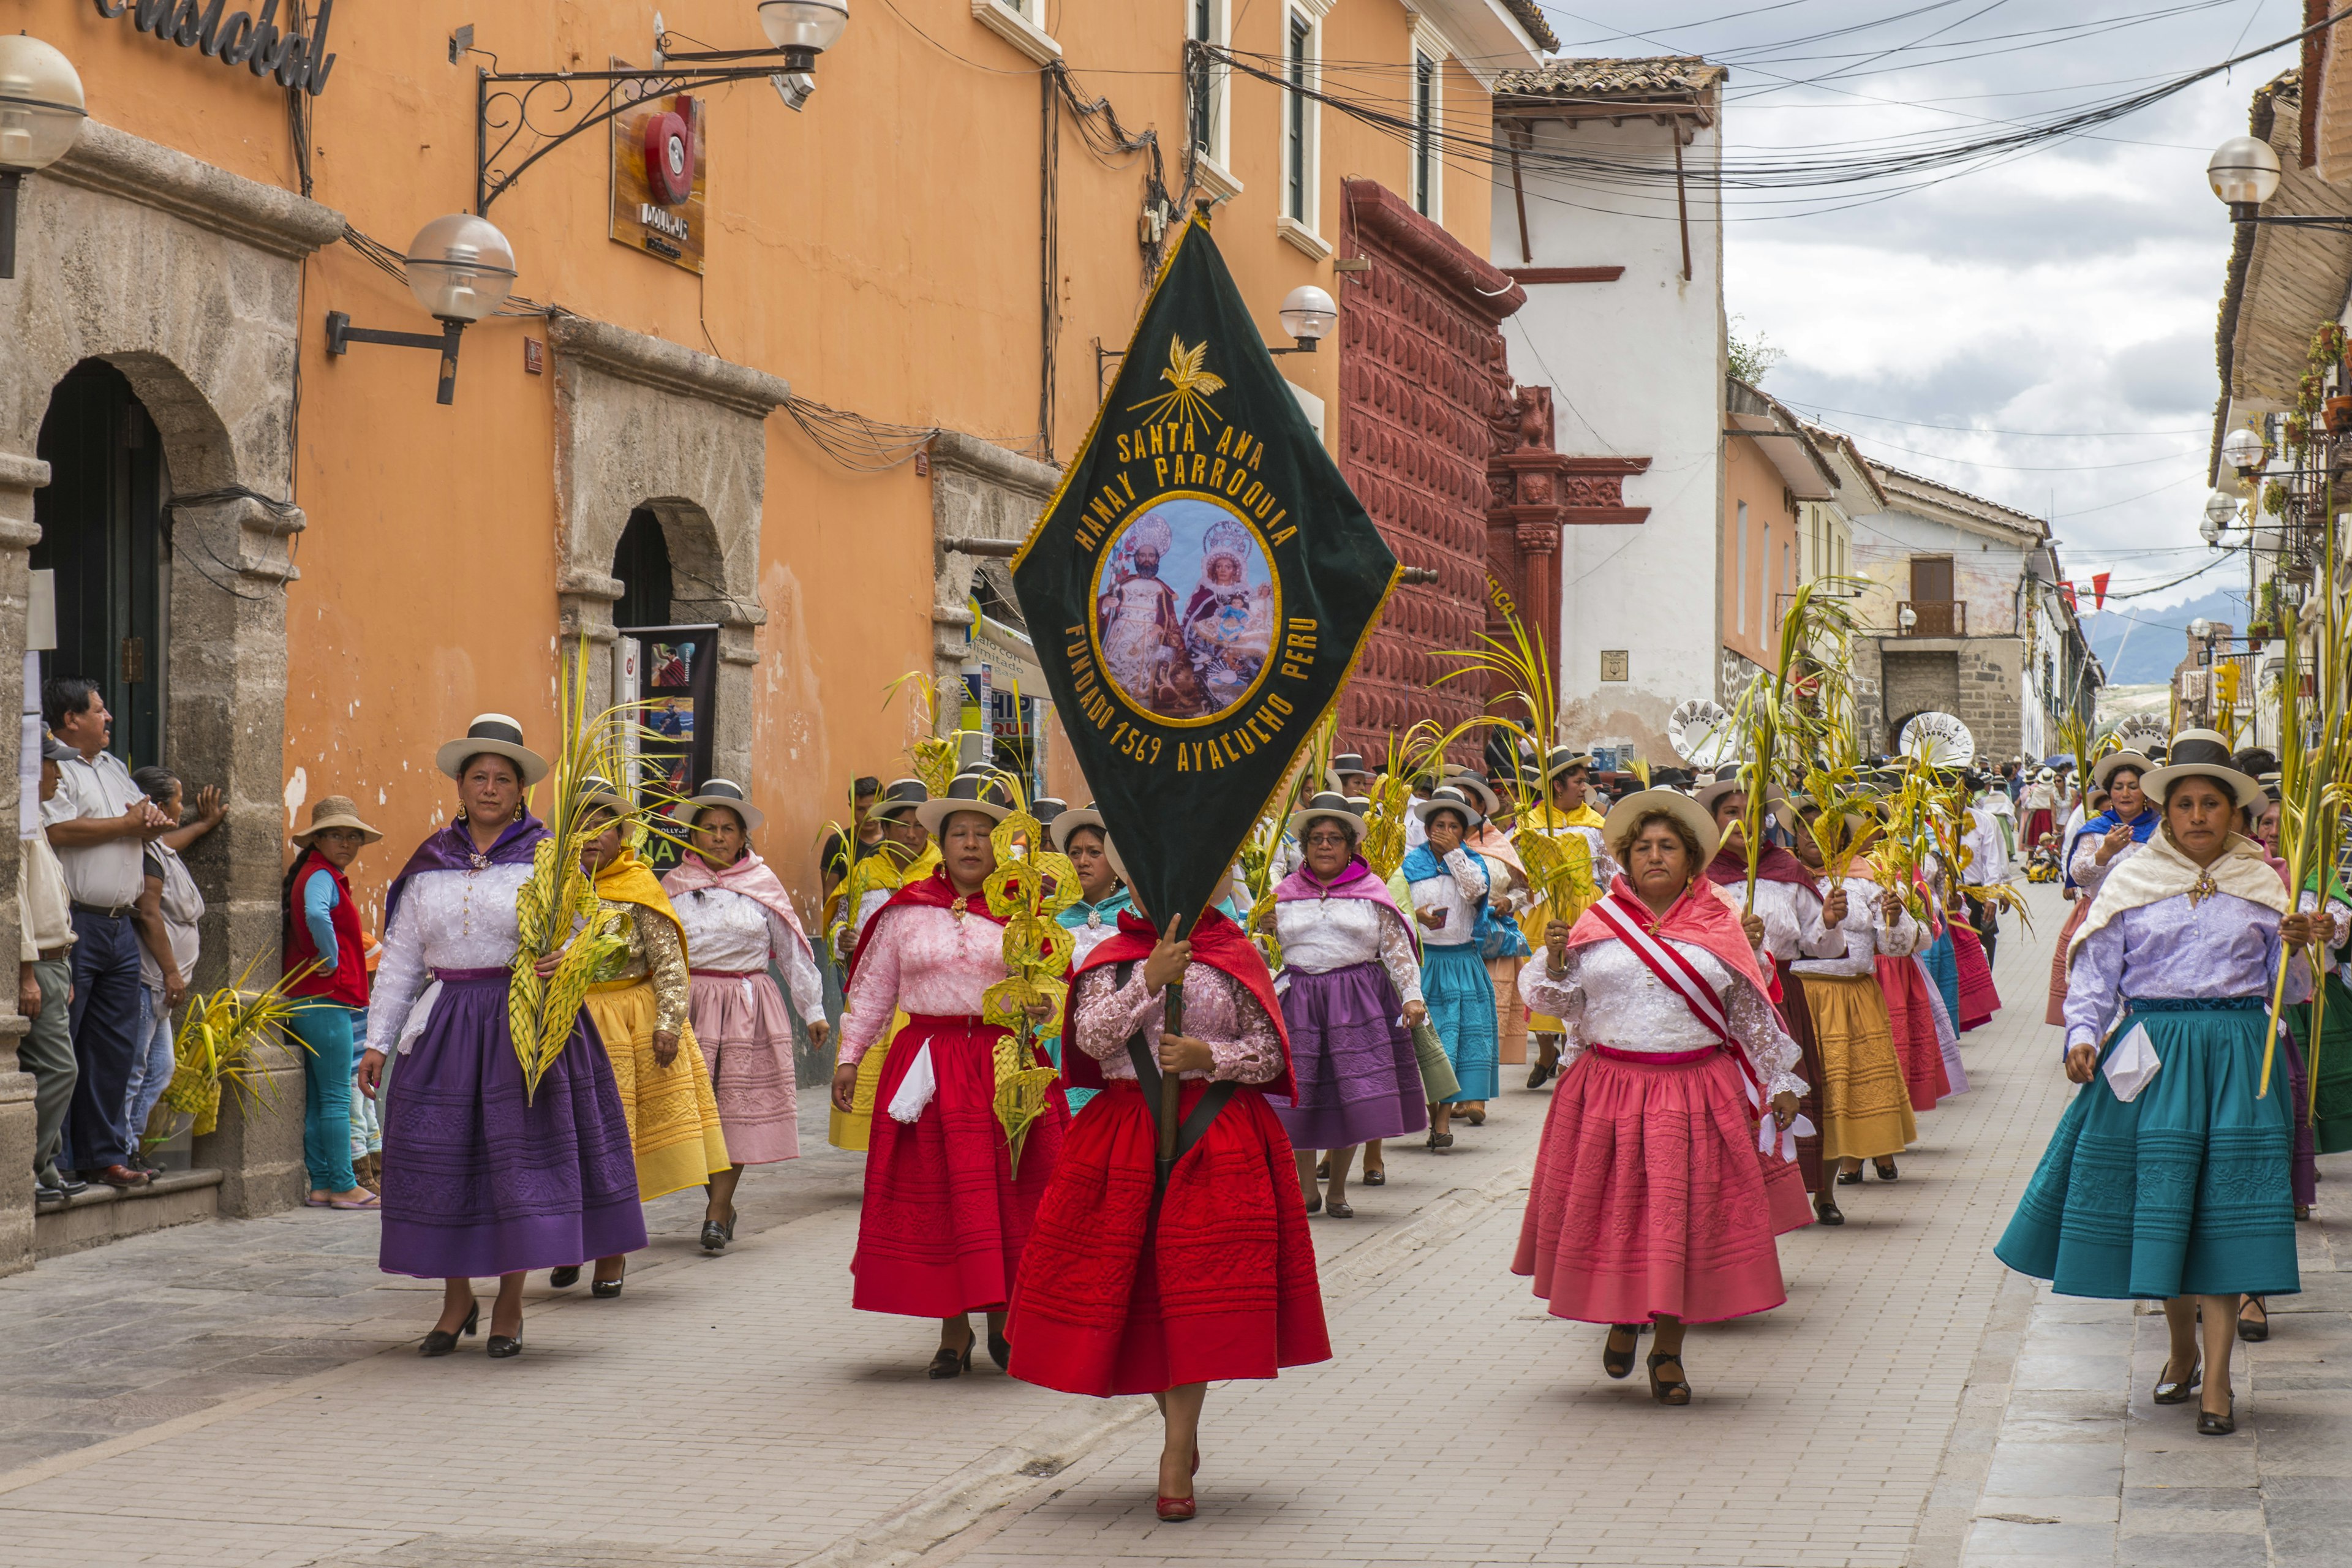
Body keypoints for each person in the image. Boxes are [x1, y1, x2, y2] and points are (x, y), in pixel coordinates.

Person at [1997, 730, 2332, 1437]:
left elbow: (2294, 991)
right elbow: (2095, 972)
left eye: (2213, 802)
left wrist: (2303, 945)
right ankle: (2181, 1345)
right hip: (2152, 1053)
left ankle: (2217, 1380)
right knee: (2169, 1208)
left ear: (2234, 813)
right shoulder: (2129, 879)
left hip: (2244, 1055)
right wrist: (2082, 1036)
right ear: (2167, 811)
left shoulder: (2266, 883)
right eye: (2186, 803)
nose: (2200, 815)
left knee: (2223, 1216)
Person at [1008, 880, 1331, 1520]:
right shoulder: (1110, 955)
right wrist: (1147, 981)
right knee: (1140, 1294)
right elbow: (1093, 1041)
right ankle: (1178, 1429)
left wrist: (1207, 1053)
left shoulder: (1235, 953)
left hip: (1217, 1137)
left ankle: (1175, 1451)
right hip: (1121, 1138)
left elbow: (1269, 1054)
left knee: (1196, 1299)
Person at [358, 715, 646, 1358]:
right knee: (441, 1163)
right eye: (478, 777)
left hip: (526, 1026)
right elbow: (403, 957)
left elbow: (593, 934)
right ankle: (456, 1298)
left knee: (518, 1165)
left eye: (503, 779)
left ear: (521, 791)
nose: (490, 788)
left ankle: (511, 1303)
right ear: (460, 787)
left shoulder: (550, 857)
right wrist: (378, 1040)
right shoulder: (428, 864)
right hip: (446, 1029)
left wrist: (565, 959)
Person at [1514, 789, 1804, 1404]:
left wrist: (1779, 1079)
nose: (1653, 856)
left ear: (1691, 857)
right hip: (1610, 1089)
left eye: (1667, 846)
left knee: (1684, 1219)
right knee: (1619, 1214)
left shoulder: (1720, 925)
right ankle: (1625, 1316)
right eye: (1642, 847)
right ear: (1624, 855)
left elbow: (1750, 1010)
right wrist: (1557, 961)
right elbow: (1560, 1003)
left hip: (1696, 1090)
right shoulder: (1594, 923)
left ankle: (1668, 1348)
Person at [829, 771, 1071, 1377]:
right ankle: (952, 1329)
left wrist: (1044, 1003)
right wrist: (850, 1057)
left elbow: (1056, 982)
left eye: (982, 833)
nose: (969, 843)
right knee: (944, 1199)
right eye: (958, 832)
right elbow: (874, 989)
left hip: (1005, 1063)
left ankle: (1006, 1317)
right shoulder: (906, 911)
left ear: (1002, 844)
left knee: (1009, 1191)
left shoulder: (1026, 911)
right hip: (928, 1068)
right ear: (941, 840)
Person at [571, 778, 731, 1297]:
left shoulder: (640, 886)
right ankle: (568, 1243)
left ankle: (610, 1256)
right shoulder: (550, 889)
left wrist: (668, 1021)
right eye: (582, 826)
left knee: (615, 1144)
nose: (592, 836)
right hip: (567, 1026)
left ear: (623, 834)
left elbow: (668, 963)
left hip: (627, 1028)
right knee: (565, 1142)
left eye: (603, 826)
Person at [663, 778, 827, 1253]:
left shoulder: (761, 885)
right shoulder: (673, 887)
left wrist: (813, 1009)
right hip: (689, 1005)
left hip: (746, 1008)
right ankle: (720, 1201)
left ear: (742, 837)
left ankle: (717, 1210)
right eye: (709, 828)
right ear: (692, 835)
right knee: (695, 1115)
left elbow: (793, 949)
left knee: (734, 1111)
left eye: (727, 829)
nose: (718, 836)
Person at [1265, 793, 1428, 1218]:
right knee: (1299, 1095)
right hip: (1298, 1001)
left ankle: (1336, 1190)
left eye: (1334, 838)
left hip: (1358, 1002)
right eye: (1315, 838)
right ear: (1303, 846)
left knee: (1352, 1092)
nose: (1324, 845)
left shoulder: (1371, 893)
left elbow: (1397, 951)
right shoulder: (1283, 895)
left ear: (1349, 846)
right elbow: (1264, 952)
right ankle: (1305, 1190)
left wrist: (1412, 997)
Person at [1697, 773, 1846, 1225]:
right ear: (1714, 821)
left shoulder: (1787, 871)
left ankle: (1821, 1192)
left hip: (1781, 998)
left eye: (1753, 814)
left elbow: (1823, 947)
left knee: (1800, 1087)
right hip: (1720, 1003)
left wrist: (1828, 919)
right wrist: (1734, 941)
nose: (1743, 823)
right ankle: (1752, 1196)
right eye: (1731, 814)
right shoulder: (1700, 877)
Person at [42, 677, 172, 1190]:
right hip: (79, 920)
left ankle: (103, 1154)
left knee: (114, 1047)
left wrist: (151, 820)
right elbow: (56, 830)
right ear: (71, 719)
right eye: (99, 710)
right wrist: (126, 826)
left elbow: (141, 817)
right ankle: (57, 1159)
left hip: (121, 926)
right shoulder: (59, 769)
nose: (109, 717)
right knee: (65, 1044)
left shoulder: (115, 769)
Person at [1790, 806, 1923, 1187]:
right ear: (1796, 837)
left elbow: (1894, 946)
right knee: (1815, 1083)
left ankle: (1863, 1154)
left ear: (1845, 840)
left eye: (1829, 831)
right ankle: (1811, 1168)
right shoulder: (1786, 882)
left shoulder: (1868, 881)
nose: (1818, 839)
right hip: (1801, 996)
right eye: (1808, 831)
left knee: (1856, 1083)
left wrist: (1895, 919)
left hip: (1854, 996)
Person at [282, 796, 382, 1210]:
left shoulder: (316, 872)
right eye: (337, 835)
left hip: (308, 1001)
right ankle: (343, 1185)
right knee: (339, 1097)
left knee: (321, 1098)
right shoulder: (321, 875)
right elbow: (318, 915)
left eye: (353, 836)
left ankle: (323, 1183)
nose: (347, 843)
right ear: (318, 839)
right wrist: (330, 957)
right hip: (326, 1001)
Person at [829, 777, 938, 1150]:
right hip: (873, 997)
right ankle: (877, 1156)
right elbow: (841, 919)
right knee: (872, 1081)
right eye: (902, 825)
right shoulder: (864, 872)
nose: (911, 834)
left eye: (919, 824)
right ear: (886, 827)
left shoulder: (941, 872)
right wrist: (843, 937)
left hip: (918, 1000)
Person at [123, 767, 225, 1166]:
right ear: (161, 806)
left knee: (160, 1068)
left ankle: (130, 1144)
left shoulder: (159, 849)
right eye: (180, 800)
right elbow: (150, 914)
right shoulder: (146, 853)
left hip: (159, 987)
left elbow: (171, 843)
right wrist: (171, 972)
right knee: (136, 1068)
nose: (184, 807)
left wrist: (204, 825)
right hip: (151, 981)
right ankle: (123, 1150)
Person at [1403, 785, 1501, 1149]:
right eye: (1438, 825)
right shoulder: (1410, 866)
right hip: (1426, 965)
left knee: (1455, 1044)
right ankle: (1432, 1118)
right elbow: (1397, 912)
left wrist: (1455, 856)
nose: (1445, 831)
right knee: (1430, 1044)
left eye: (1453, 826)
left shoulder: (1473, 864)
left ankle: (1443, 1122)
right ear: (1427, 830)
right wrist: (1417, 918)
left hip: (1463, 964)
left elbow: (1475, 892)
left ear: (1464, 832)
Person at [1516, 751, 1616, 1088]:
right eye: (1578, 781)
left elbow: (1609, 872)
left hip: (1587, 909)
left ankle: (1574, 1056)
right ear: (1557, 786)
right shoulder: (1530, 824)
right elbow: (1521, 872)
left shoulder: (1598, 825)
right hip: (1545, 909)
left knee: (1584, 981)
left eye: (1585, 780)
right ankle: (1546, 1053)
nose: (1585, 787)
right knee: (1546, 977)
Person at [2048, 755, 2157, 1028]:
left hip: (2145, 923)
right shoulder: (2096, 829)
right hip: (2099, 919)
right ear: (2109, 792)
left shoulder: (2160, 829)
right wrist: (2105, 852)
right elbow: (2078, 874)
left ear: (2144, 791)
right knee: (2095, 991)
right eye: (2118, 787)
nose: (2125, 793)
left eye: (2133, 786)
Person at [22, 730, 81, 1202]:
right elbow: (17, 905)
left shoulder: (37, 820)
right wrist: (27, 971)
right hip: (38, 961)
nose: (58, 775)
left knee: (52, 1065)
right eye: (52, 765)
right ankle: (30, 1165)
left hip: (54, 960)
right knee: (59, 1069)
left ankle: (46, 1169)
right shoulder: (22, 823)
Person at [1047, 804, 1131, 1117]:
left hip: (1119, 1041)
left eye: (1094, 853)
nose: (1082, 861)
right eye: (1074, 852)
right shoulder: (1048, 916)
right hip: (1058, 1042)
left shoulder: (1135, 916)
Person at [819, 775, 884, 924]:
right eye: (861, 809)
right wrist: (835, 934)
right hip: (848, 931)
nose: (867, 815)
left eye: (873, 808)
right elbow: (830, 896)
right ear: (851, 807)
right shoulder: (837, 843)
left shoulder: (893, 844)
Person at [2021, 767, 2058, 851]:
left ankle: (2034, 856)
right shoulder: (2055, 790)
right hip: (2051, 815)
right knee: (2050, 836)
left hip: (2037, 815)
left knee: (2036, 836)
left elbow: (2028, 805)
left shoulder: (2036, 790)